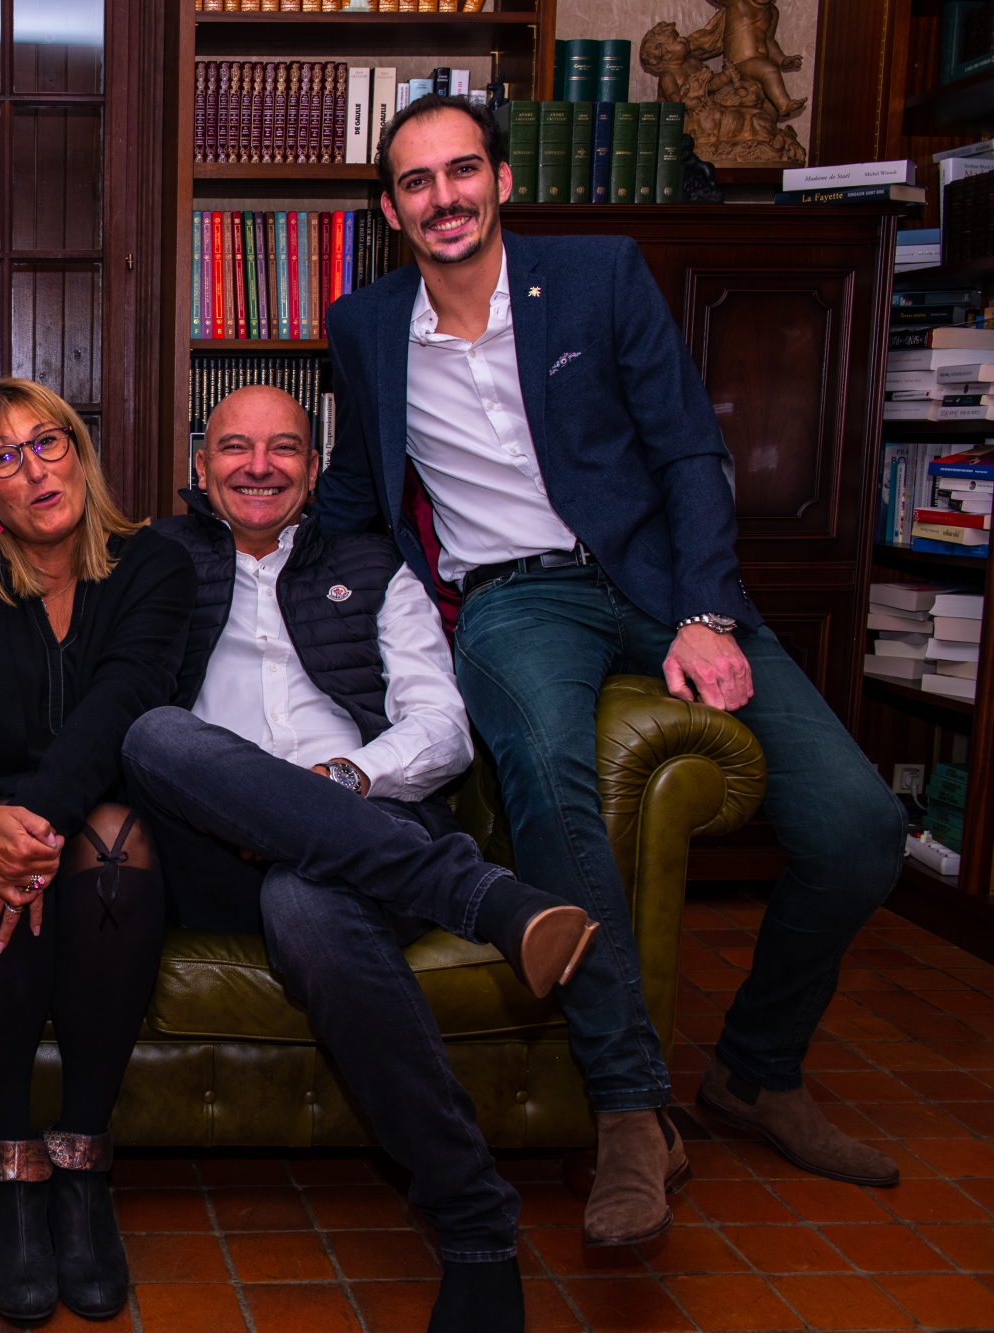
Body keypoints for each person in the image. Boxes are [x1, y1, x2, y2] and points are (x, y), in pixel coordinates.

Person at [321, 94, 906, 1250]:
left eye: (460, 170)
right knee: (552, 787)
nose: (442, 197)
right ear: (390, 210)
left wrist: (702, 612)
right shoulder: (364, 323)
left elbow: (687, 447)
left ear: (499, 181)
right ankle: (631, 1111)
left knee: (858, 829)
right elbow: (349, 489)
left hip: (657, 582)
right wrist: (182, 543)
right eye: (415, 182)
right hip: (513, 602)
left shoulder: (597, 276)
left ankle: (754, 1069)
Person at [117, 383, 602, 1332]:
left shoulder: (377, 565)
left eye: (284, 448)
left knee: (306, 903)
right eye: (235, 446)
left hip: (360, 838)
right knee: (157, 733)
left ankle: (475, 1225)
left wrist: (339, 782)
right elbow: (46, 563)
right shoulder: (152, 558)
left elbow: (442, 727)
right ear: (200, 465)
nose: (259, 466)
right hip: (210, 848)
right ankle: (483, 898)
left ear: (314, 467)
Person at [0, 377, 196, 1324]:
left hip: (99, 811)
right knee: (1, 863)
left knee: (115, 853)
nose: (34, 468)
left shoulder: (154, 563)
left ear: (79, 450)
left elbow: (123, 702)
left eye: (48, 442)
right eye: (3, 456)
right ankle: (9, 1165)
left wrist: (27, 830)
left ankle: (81, 1161)